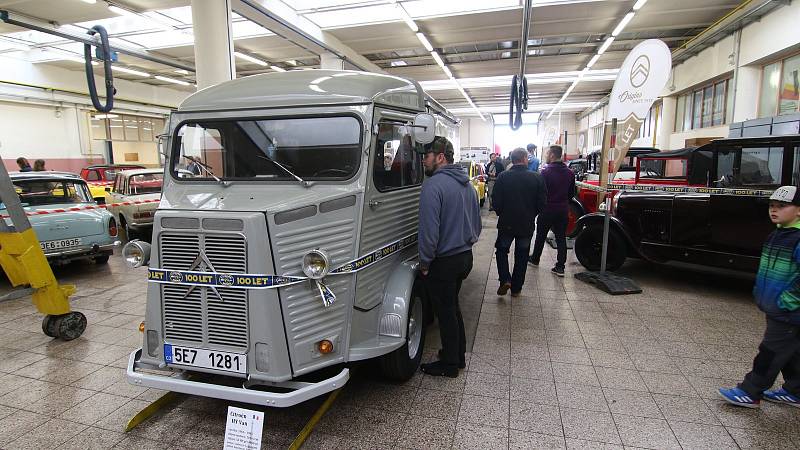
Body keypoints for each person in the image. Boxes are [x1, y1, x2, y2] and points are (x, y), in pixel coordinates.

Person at [718, 185, 800, 408]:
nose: (774, 210)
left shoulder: (797, 239)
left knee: (770, 351)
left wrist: (789, 301)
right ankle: (796, 390)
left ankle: (750, 391)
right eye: (772, 206)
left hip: (789, 311)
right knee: (791, 350)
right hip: (777, 306)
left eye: (782, 206)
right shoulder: (777, 234)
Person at [417, 136, 482, 377]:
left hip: (443, 261)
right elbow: (476, 224)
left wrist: (425, 261)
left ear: (440, 157)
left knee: (445, 312)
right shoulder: (466, 184)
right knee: (452, 307)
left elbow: (429, 231)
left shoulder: (433, 186)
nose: (424, 160)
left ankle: (450, 365)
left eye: (427, 155)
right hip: (464, 256)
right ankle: (457, 354)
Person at [491, 147, 547, 296]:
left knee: (502, 251)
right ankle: (516, 288)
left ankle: (505, 279)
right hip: (526, 224)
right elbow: (542, 204)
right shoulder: (537, 178)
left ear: (513, 160)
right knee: (522, 256)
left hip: (506, 223)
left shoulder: (503, 177)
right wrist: (531, 214)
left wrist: (501, 213)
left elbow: (495, 201)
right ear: (524, 159)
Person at [529, 145, 576, 277]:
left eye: (547, 154)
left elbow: (540, 192)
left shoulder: (545, 172)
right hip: (562, 210)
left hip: (547, 209)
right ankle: (560, 267)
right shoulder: (570, 173)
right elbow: (571, 193)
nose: (546, 156)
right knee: (561, 238)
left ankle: (535, 259)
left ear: (552, 155)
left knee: (541, 235)